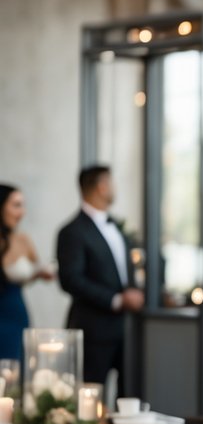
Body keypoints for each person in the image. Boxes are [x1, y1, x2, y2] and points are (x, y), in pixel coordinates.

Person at [56, 165, 144, 386]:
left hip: (127, 329)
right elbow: (71, 280)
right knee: (91, 393)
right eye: (111, 182)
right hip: (93, 330)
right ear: (101, 187)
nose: (114, 188)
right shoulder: (72, 231)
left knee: (130, 394)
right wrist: (116, 300)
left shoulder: (116, 227)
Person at [0, 184, 54, 365]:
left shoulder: (23, 240)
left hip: (15, 311)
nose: (22, 212)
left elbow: (36, 270)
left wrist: (41, 274)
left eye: (22, 206)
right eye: (16, 205)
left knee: (17, 363)